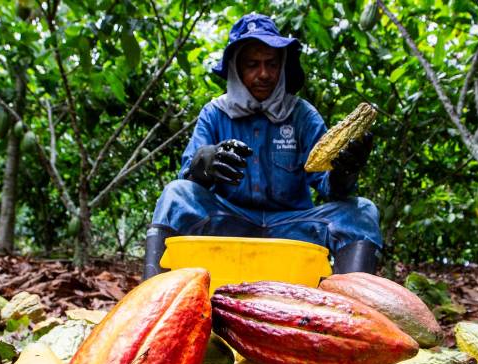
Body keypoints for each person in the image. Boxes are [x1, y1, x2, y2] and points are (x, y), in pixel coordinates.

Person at [143, 13, 382, 280]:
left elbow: (329, 187)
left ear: (282, 66)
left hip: (293, 225)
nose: (264, 74)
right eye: (252, 65)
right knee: (176, 195)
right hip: (229, 220)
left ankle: (354, 309)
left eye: (271, 63)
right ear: (236, 68)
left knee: (362, 211)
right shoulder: (215, 113)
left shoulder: (301, 115)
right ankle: (152, 299)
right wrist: (204, 163)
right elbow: (187, 179)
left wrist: (344, 171)